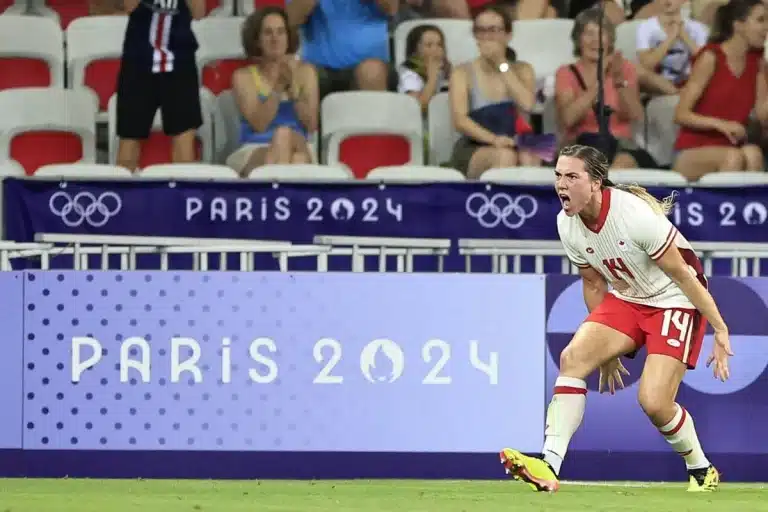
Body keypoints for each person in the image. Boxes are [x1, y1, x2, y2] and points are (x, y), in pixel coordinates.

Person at [500, 144, 731, 493]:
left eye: (572, 177)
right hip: (626, 298)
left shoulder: (632, 215)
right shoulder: (567, 224)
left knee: (654, 402)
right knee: (573, 358)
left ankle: (701, 469)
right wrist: (605, 350)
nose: (562, 184)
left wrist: (720, 327)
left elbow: (685, 276)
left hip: (674, 300)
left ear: (595, 183)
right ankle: (549, 464)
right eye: (558, 176)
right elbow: (593, 282)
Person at [673, 0, 768, 180]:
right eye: (761, 20)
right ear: (738, 25)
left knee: (754, 153)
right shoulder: (711, 57)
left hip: (733, 146)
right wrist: (722, 125)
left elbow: (763, 114)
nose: (766, 28)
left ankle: (747, 209)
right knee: (733, 158)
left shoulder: (758, 62)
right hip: (693, 148)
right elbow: (681, 114)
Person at [554, 8, 654, 170]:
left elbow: (636, 115)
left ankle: (608, 193)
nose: (596, 41)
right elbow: (568, 119)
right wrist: (600, 80)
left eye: (602, 34)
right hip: (583, 146)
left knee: (626, 161)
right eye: (589, 34)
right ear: (578, 39)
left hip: (622, 146)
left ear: (610, 40)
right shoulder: (566, 73)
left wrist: (620, 81)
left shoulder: (625, 68)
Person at [449, 5, 539, 178]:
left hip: (517, 141)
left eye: (494, 30)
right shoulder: (462, 73)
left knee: (529, 154)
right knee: (505, 156)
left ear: (508, 35)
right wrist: (494, 140)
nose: (488, 37)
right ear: (475, 35)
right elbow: (460, 121)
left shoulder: (523, 70)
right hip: (476, 145)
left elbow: (527, 105)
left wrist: (501, 64)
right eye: (482, 30)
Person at [115, 0, 206, 171]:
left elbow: (199, 12)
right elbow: (130, 6)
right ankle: (124, 194)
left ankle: (181, 194)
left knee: (184, 137)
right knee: (130, 136)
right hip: (139, 61)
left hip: (180, 61)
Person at [228, 7, 318, 176]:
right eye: (268, 33)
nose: (275, 39)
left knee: (288, 138)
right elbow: (259, 124)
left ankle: (272, 196)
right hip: (255, 148)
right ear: (257, 41)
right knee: (293, 153)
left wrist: (292, 87)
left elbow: (311, 125)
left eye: (281, 32)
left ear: (288, 37)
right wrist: (278, 86)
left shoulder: (306, 72)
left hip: (300, 144)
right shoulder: (244, 76)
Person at [287, 0, 398, 98]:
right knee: (303, 74)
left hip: (371, 65)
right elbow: (289, 23)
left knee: (371, 72)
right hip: (317, 69)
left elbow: (391, 8)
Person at [398, 24, 450, 113]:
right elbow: (417, 108)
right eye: (429, 45)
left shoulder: (445, 68)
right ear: (414, 51)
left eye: (439, 44)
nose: (435, 49)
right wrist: (432, 77)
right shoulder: (409, 73)